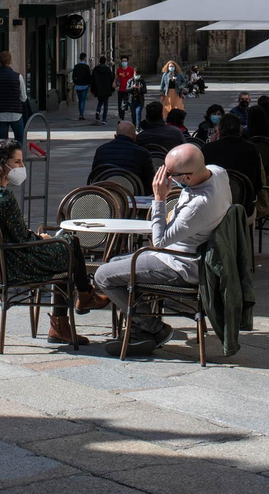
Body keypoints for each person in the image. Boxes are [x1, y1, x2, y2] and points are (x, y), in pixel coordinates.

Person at [92, 144, 230, 355]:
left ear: (188, 178)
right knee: (113, 264)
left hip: (180, 264)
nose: (164, 178)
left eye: (170, 174)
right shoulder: (218, 172)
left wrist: (159, 198)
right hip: (183, 254)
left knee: (102, 276)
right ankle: (140, 332)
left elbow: (159, 241)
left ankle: (154, 329)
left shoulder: (199, 205)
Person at [0, 139, 106, 346]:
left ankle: (77, 304)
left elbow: (7, 230)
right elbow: (23, 239)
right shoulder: (3, 196)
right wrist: (40, 238)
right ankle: (79, 303)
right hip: (14, 265)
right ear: (2, 165)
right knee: (69, 246)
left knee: (65, 247)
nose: (22, 167)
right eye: (17, 162)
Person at [202, 114, 266, 208]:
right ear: (240, 129)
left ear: (219, 131)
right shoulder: (251, 148)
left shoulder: (208, 149)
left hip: (214, 206)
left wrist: (211, 145)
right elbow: (258, 184)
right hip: (245, 205)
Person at [90, 120, 155, 183]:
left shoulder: (101, 151)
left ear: (115, 136)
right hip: (134, 192)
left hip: (105, 191)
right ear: (134, 137)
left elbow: (93, 177)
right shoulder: (143, 153)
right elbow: (150, 181)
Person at [0, 50, 28, 145]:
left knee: (3, 141)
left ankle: (5, 159)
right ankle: (17, 159)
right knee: (19, 140)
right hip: (16, 113)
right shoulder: (18, 77)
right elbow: (23, 97)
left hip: (0, 113)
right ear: (11, 61)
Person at [90, 56, 116, 125]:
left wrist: (92, 89)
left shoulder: (95, 69)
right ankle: (104, 119)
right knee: (105, 104)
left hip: (98, 89)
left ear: (99, 61)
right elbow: (111, 79)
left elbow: (92, 80)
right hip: (106, 89)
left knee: (100, 101)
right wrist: (112, 89)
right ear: (105, 62)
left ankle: (98, 111)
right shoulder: (108, 70)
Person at [71, 53, 93, 121]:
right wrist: (89, 83)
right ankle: (81, 114)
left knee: (80, 100)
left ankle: (80, 113)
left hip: (78, 86)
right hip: (85, 86)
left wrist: (75, 82)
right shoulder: (86, 67)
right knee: (83, 100)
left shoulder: (76, 66)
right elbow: (89, 76)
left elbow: (73, 75)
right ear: (85, 58)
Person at [115, 56, 137, 120]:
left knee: (131, 105)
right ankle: (121, 119)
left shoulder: (131, 69)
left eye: (125, 61)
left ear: (127, 62)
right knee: (121, 106)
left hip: (129, 90)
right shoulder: (119, 70)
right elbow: (116, 77)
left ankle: (134, 119)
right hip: (121, 90)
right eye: (123, 61)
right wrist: (114, 82)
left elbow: (134, 78)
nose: (124, 62)